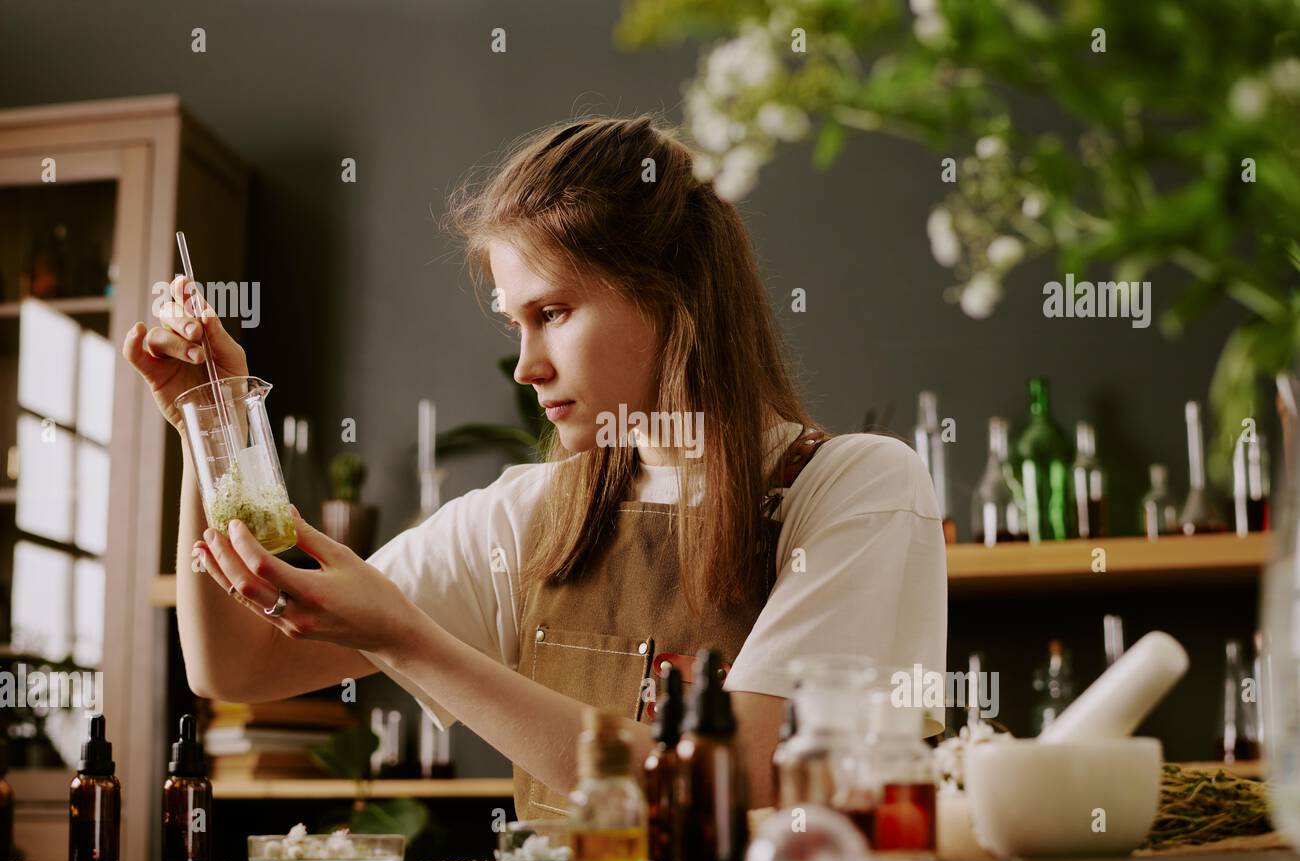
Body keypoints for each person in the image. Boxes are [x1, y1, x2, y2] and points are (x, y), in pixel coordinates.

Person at [121, 116, 946, 819]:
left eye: (552, 314)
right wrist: (213, 419)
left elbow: (742, 782)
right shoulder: (531, 515)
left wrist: (405, 638)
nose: (526, 366)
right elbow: (238, 663)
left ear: (673, 296)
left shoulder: (857, 488)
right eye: (517, 323)